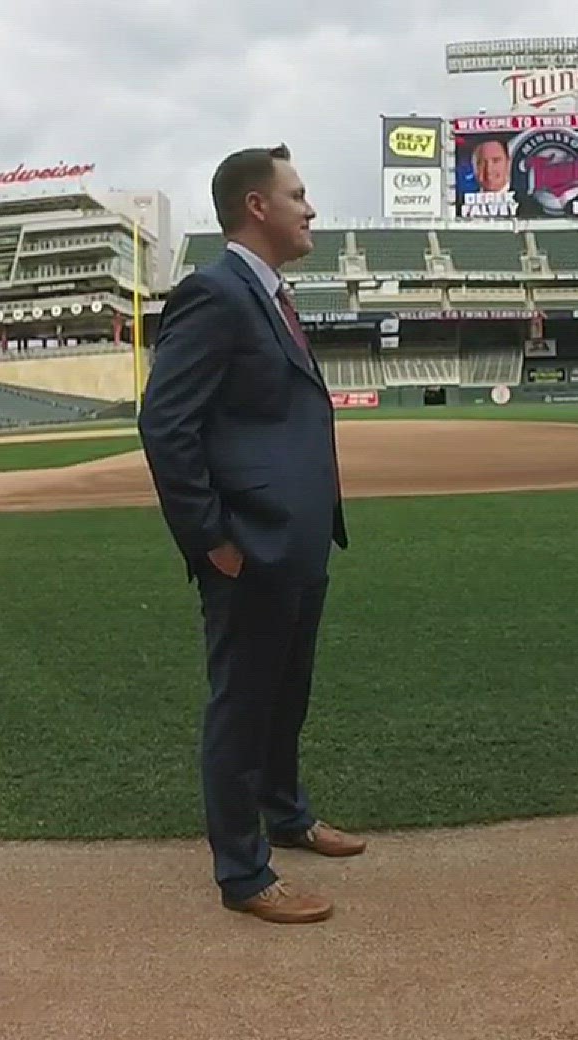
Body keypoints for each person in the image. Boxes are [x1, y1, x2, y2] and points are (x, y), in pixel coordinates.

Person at [138, 144, 362, 926]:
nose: (311, 209)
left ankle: (287, 814)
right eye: (297, 195)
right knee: (243, 705)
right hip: (250, 547)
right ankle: (242, 871)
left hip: (297, 542)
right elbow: (165, 423)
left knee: (285, 698)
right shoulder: (216, 293)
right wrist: (211, 539)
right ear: (257, 207)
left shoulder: (270, 295)